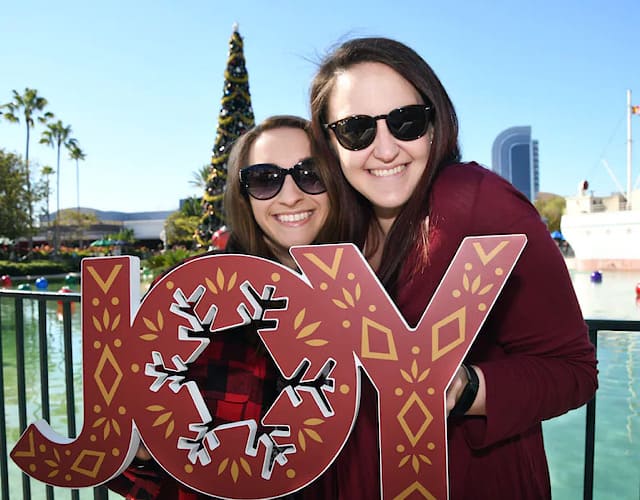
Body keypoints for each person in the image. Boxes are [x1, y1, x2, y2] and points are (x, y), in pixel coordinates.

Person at [309, 37, 598, 499]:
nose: (385, 150)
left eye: (405, 122)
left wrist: (466, 390)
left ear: (434, 123)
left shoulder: (481, 204)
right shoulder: (334, 230)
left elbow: (574, 371)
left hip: (473, 481)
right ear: (329, 141)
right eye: (356, 130)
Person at [107, 115, 345, 499]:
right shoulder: (186, 298)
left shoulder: (372, 295)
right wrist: (139, 446)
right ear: (244, 195)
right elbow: (141, 471)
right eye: (265, 179)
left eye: (310, 173)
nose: (290, 196)